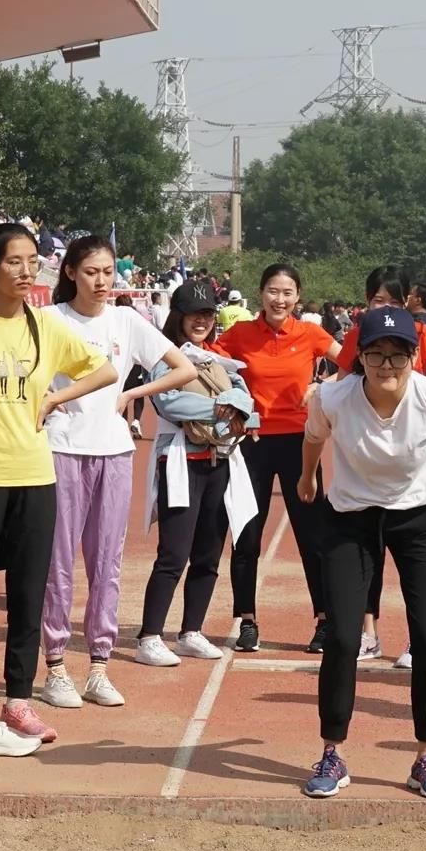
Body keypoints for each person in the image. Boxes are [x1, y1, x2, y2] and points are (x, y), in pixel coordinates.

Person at [297, 306, 426, 799]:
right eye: (376, 355)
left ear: (414, 357)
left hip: (419, 518)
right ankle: (332, 752)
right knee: (340, 636)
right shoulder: (334, 397)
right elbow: (313, 438)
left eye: (398, 356)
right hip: (351, 517)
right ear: (359, 357)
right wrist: (306, 477)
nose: (386, 366)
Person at [0, 224, 117, 747]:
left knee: (28, 595)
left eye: (31, 261)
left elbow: (106, 370)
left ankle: (18, 703)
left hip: (36, 475)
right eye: (13, 262)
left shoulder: (45, 327)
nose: (25, 271)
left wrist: (53, 399)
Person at [37, 236, 196, 709]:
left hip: (114, 452)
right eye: (91, 272)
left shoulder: (127, 320)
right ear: (70, 273)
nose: (102, 281)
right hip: (61, 450)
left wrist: (129, 396)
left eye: (108, 272)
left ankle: (99, 667)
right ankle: (57, 666)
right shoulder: (49, 320)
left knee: (107, 563)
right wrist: (50, 403)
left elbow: (183, 368)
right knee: (58, 563)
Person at [217, 264, 342, 655]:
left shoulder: (310, 333)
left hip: (301, 443)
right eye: (273, 291)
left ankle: (324, 619)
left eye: (287, 292)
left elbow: (353, 363)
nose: (279, 299)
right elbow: (208, 367)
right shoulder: (240, 334)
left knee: (312, 536)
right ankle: (247, 620)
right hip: (252, 442)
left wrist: (322, 385)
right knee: (246, 535)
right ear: (260, 293)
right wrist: (232, 401)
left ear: (298, 297)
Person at [136, 283, 259, 664]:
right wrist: (226, 406)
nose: (203, 321)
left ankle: (191, 630)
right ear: (179, 317)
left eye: (208, 315)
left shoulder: (217, 360)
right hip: (180, 463)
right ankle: (149, 636)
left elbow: (248, 403)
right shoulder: (164, 360)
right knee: (173, 553)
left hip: (219, 461)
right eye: (195, 314)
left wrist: (234, 405)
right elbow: (173, 403)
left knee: (208, 554)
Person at [337, 267, 426, 665]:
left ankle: (416, 640)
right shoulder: (357, 336)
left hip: (412, 456)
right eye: (377, 300)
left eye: (392, 301)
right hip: (368, 457)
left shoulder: (421, 336)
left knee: (418, 566)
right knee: (365, 556)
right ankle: (368, 633)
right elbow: (338, 389)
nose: (383, 308)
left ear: (407, 304)